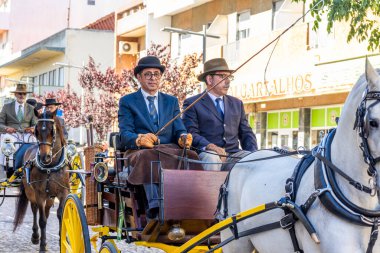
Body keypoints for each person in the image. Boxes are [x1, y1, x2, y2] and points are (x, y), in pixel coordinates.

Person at [118, 55, 192, 218]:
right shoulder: (127, 101)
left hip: (168, 149)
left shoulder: (171, 101)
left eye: (156, 74)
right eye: (148, 74)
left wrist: (183, 137)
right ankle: (156, 207)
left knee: (192, 155)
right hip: (139, 152)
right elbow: (125, 134)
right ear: (139, 77)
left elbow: (179, 129)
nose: (153, 78)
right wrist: (139, 139)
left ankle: (193, 203)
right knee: (149, 156)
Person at [182, 58, 258, 171]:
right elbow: (191, 133)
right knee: (212, 158)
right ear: (209, 79)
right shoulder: (193, 103)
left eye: (229, 77)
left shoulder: (237, 103)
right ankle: (211, 189)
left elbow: (246, 133)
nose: (227, 81)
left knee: (252, 159)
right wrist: (211, 147)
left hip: (233, 155)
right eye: (222, 76)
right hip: (207, 154)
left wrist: (254, 155)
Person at [0, 83, 37, 174]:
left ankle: (32, 165)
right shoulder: (7, 107)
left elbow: (35, 124)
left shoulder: (31, 108)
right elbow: (0, 123)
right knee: (8, 140)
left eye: (24, 94)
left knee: (34, 141)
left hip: (26, 134)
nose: (22, 96)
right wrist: (7, 128)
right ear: (15, 94)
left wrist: (32, 129)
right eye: (20, 93)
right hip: (11, 134)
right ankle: (10, 168)